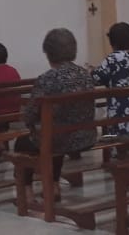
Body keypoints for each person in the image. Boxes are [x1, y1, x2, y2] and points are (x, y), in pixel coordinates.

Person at [14, 28, 96, 204]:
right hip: (86, 136)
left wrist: (29, 120)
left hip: (61, 139)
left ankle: (27, 194)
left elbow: (29, 116)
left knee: (23, 143)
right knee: (54, 135)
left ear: (48, 52)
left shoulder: (47, 79)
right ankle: (53, 186)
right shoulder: (86, 75)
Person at [89, 22, 129, 139]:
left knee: (110, 135)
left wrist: (91, 71)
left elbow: (95, 79)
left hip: (119, 115)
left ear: (114, 42)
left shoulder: (113, 59)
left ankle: (116, 147)